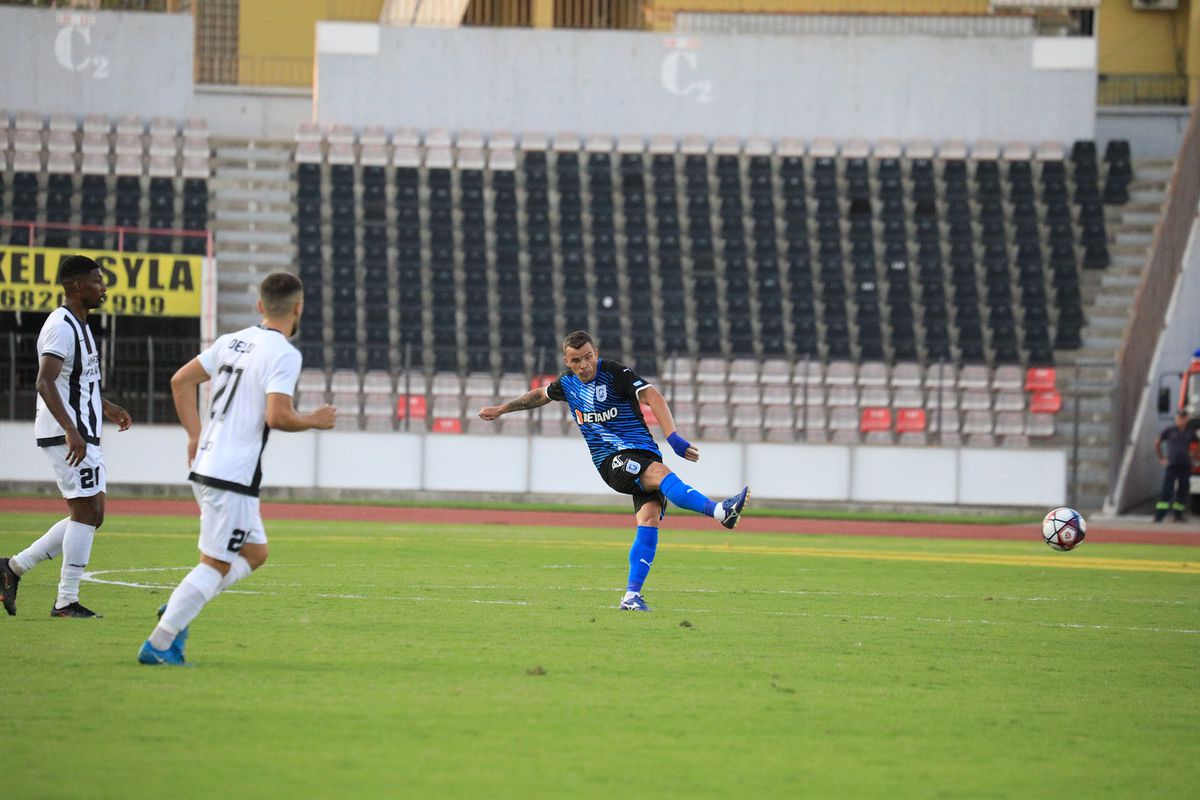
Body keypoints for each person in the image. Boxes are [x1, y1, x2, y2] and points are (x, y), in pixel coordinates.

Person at [137, 272, 336, 665]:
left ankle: (181, 606)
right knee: (215, 564)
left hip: (210, 464)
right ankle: (160, 643)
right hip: (231, 475)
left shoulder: (231, 341)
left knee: (256, 553)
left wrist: (195, 435)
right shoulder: (284, 354)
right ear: (298, 309)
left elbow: (180, 381)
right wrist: (315, 419)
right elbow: (277, 416)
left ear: (261, 306)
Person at [478, 330, 749, 612]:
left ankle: (631, 596)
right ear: (566, 361)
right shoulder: (567, 383)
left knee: (649, 521)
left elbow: (653, 396)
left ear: (596, 353)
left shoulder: (614, 373)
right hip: (612, 461)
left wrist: (673, 438)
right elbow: (539, 396)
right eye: (576, 360)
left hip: (643, 453)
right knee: (661, 474)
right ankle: (720, 512)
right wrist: (501, 409)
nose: (584, 365)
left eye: (588, 357)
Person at [1, 255, 132, 619]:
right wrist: (71, 429)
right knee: (85, 512)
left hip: (83, 429)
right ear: (77, 286)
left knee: (92, 513)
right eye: (97, 280)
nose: (104, 286)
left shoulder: (82, 325)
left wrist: (106, 406)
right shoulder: (61, 326)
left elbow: (76, 382)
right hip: (68, 433)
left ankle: (12, 569)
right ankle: (65, 600)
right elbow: (44, 380)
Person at [1154, 410, 1198, 522]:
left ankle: (1178, 515)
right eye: (1180, 418)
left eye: (1184, 418)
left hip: (1185, 465)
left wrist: (1194, 455)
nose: (1182, 420)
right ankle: (1159, 516)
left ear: (1186, 419)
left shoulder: (1190, 432)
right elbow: (1157, 442)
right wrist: (1162, 458)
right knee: (1166, 490)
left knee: (1183, 490)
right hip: (1172, 465)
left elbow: (1198, 444)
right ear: (1176, 419)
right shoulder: (1169, 431)